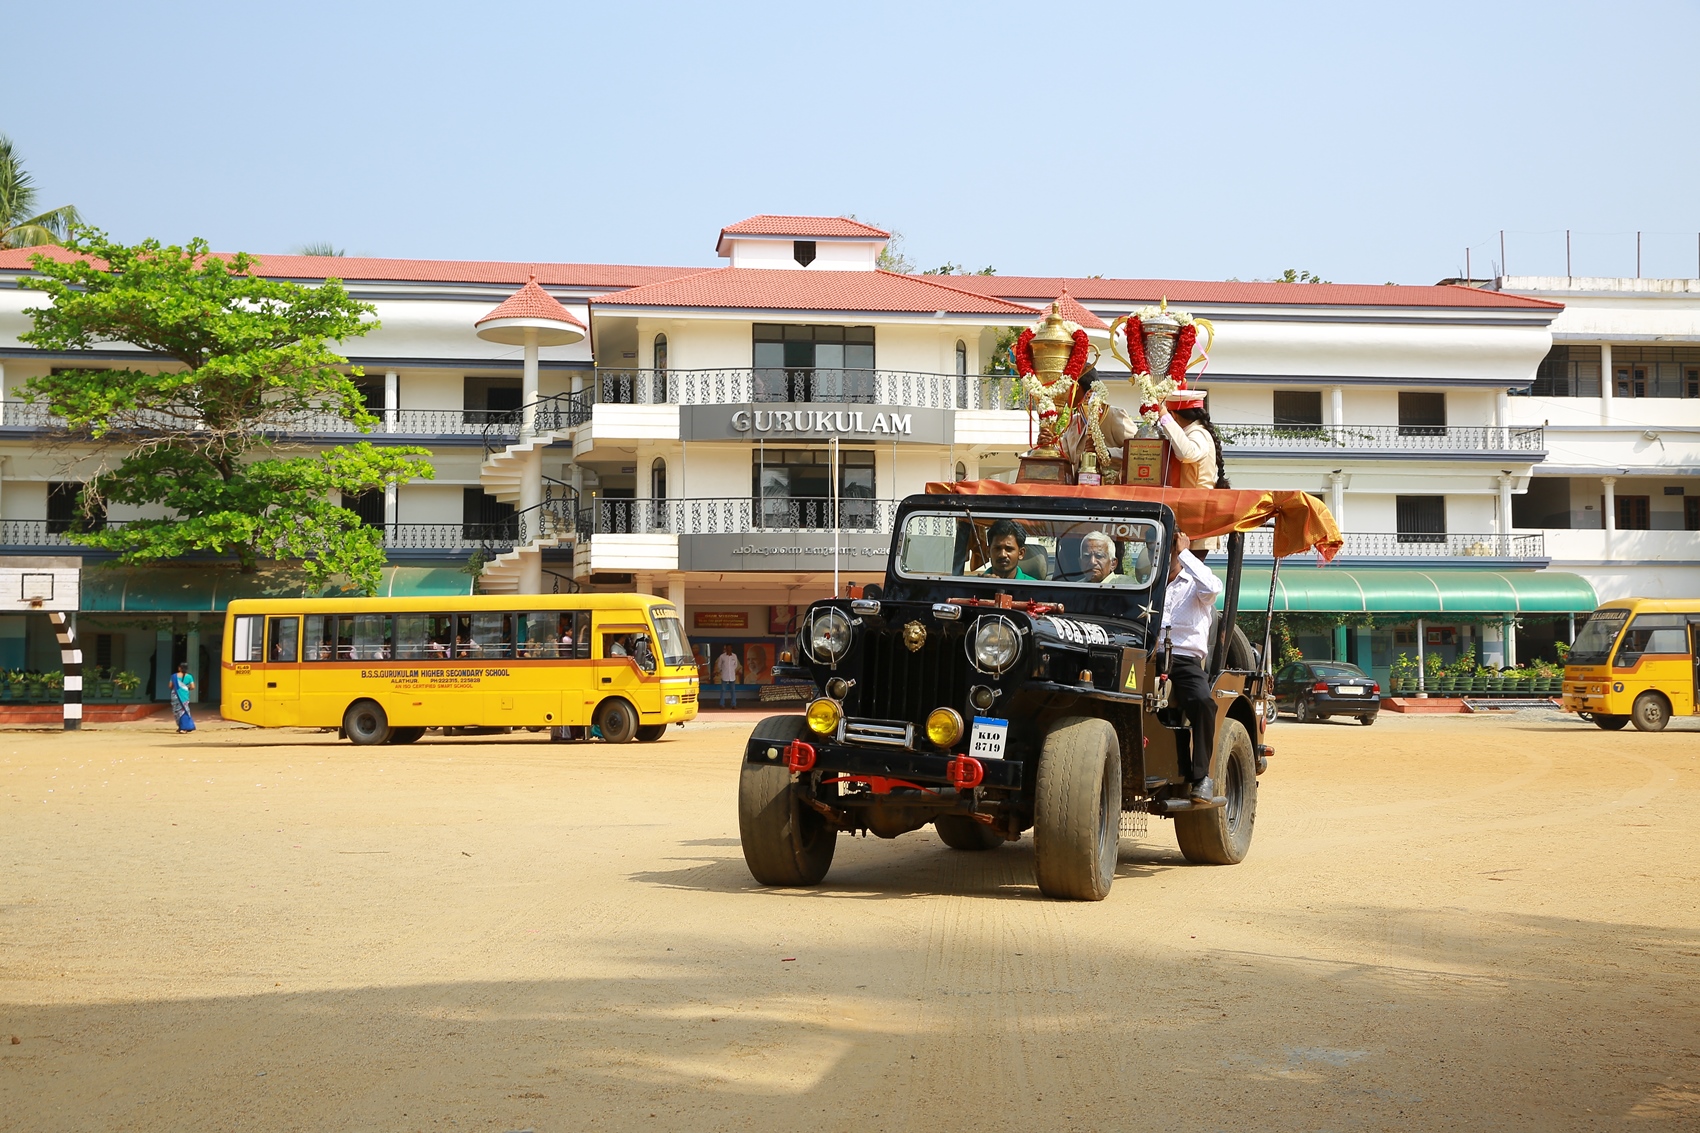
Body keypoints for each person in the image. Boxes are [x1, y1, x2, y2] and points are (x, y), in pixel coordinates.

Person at [1161, 530, 1226, 804]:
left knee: (1202, 702)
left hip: (1184, 659)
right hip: (1148, 656)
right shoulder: (1149, 583)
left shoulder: (1195, 582)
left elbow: (1212, 589)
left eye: (1168, 548)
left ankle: (1201, 778)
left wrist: (1185, 552)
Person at [1155, 387, 1230, 559]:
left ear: (1174, 416)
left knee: (1188, 575)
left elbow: (1186, 453)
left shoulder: (1198, 433)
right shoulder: (1193, 432)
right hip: (1190, 515)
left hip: (1198, 515)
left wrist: (1164, 417)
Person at [170, 662, 196, 734]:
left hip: (175, 696)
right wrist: (185, 688)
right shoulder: (189, 676)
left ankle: (182, 727)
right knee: (184, 711)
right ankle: (183, 727)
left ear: (179, 668)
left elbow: (170, 686)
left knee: (177, 712)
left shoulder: (174, 676)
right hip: (185, 696)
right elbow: (193, 687)